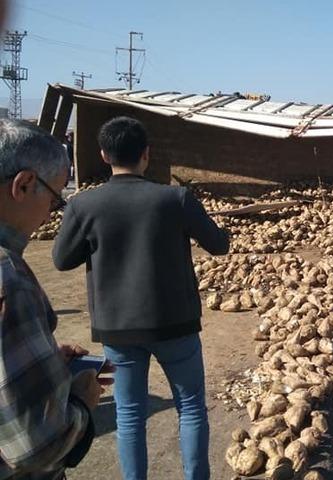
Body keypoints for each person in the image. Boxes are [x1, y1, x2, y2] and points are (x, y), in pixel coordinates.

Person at [52, 117, 230, 480]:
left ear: (104, 155)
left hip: (118, 330)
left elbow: (62, 259)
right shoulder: (176, 198)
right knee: (192, 408)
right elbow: (218, 245)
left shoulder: (84, 206)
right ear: (146, 154)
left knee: (129, 415)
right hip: (176, 325)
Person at [0, 119, 110, 479]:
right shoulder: (7, 280)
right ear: (24, 184)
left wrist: (41, 361)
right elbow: (37, 447)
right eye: (55, 196)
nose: (52, 211)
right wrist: (80, 399)